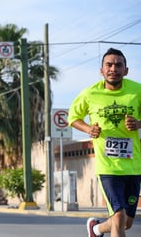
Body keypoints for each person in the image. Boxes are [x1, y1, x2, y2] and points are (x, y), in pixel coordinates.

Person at [68, 48, 141, 237]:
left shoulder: (137, 91)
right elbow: (74, 117)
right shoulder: (90, 93)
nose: (113, 69)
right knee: (118, 217)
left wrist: (139, 123)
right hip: (107, 167)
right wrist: (88, 129)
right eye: (109, 65)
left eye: (118, 65)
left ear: (126, 70)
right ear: (101, 70)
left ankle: (96, 229)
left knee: (127, 223)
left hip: (133, 166)